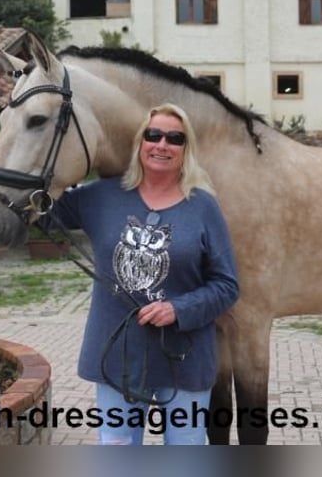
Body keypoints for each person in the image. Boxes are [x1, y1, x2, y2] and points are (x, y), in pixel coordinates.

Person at [43, 103, 240, 445]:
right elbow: (41, 210)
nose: (162, 144)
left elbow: (226, 285)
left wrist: (178, 309)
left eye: (174, 138)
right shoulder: (101, 197)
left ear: (185, 149)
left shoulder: (204, 206)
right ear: (140, 142)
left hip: (185, 356)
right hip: (117, 354)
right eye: (154, 134)